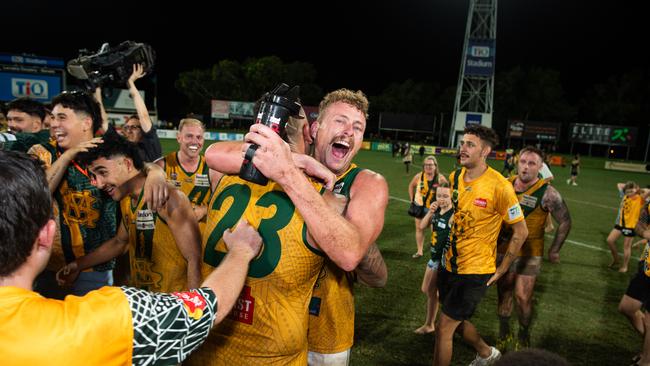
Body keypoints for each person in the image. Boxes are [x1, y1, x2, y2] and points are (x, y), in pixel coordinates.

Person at [0, 149, 263, 366]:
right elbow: (206, 308)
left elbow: (192, 256)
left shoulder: (162, 197)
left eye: (101, 173)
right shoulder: (110, 317)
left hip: (167, 300)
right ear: (47, 234)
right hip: (156, 321)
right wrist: (240, 252)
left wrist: (78, 263)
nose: (97, 183)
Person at [188, 88, 388, 365]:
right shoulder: (273, 168)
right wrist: (292, 164)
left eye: (358, 127)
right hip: (266, 320)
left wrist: (352, 235)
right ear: (314, 130)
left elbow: (370, 269)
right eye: (340, 122)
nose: (348, 132)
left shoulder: (365, 182)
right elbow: (214, 154)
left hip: (324, 328)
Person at [27, 90, 169, 297]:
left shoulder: (108, 150)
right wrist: (68, 156)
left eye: (62, 117)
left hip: (98, 267)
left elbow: (136, 167)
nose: (53, 123)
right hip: (48, 265)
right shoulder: (42, 152)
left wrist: (155, 171)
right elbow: (37, 195)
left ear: (86, 123)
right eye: (53, 117)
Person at [56, 131, 203, 292]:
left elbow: (194, 260)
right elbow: (120, 242)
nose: (97, 184)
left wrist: (193, 311)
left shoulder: (168, 197)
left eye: (102, 172)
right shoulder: (126, 197)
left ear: (127, 164)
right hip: (146, 304)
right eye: (93, 175)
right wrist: (78, 265)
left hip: (171, 306)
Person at [433, 125, 528, 366]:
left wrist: (503, 268)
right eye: (462, 143)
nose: (462, 148)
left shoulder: (500, 187)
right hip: (449, 264)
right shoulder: (455, 177)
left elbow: (520, 230)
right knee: (456, 321)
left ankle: (486, 353)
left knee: (443, 327)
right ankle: (486, 353)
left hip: (475, 270)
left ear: (485, 151)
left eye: (470, 144)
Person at [495, 146, 572, 348]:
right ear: (517, 162)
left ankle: (523, 333)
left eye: (532, 163)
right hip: (503, 250)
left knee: (522, 297)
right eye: (523, 162)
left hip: (531, 253)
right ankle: (504, 331)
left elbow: (565, 221)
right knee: (504, 293)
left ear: (540, 167)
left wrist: (554, 249)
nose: (526, 167)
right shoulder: (504, 185)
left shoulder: (548, 193)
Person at [158, 118, 221, 223]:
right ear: (179, 138)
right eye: (189, 136)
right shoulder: (162, 166)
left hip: (199, 237)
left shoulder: (212, 169)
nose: (195, 141)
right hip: (166, 236)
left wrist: (204, 210)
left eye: (199, 137)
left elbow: (220, 204)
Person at [414, 183, 453, 335]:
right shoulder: (436, 210)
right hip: (433, 257)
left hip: (443, 261)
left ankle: (433, 323)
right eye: (439, 195)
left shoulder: (453, 215)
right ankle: (431, 323)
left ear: (452, 197)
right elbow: (422, 226)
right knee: (428, 290)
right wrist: (430, 212)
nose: (441, 199)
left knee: (430, 290)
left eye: (445, 196)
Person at [620, 200, 650, 366]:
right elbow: (640, 224)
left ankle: (646, 361)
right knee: (627, 307)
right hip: (646, 266)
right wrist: (645, 234)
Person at [120, 64, 162, 162]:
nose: (129, 130)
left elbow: (143, 116)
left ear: (143, 131)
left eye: (134, 127)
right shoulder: (123, 149)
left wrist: (130, 82)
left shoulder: (150, 148)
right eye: (127, 127)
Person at [408, 155, 448, 258]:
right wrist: (412, 200)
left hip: (434, 209)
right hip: (419, 208)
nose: (428, 167)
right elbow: (411, 186)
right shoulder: (419, 176)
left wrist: (442, 204)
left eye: (430, 165)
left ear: (435, 166)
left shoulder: (440, 178)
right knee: (419, 229)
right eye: (426, 165)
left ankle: (437, 251)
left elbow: (447, 192)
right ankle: (420, 251)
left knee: (434, 230)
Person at [607, 181, 644, 272]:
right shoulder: (624, 196)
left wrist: (638, 190)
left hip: (630, 226)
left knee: (626, 246)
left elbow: (648, 191)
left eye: (631, 191)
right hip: (620, 224)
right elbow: (619, 184)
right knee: (610, 240)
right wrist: (630, 187)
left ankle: (625, 266)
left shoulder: (639, 198)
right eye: (627, 192)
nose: (629, 193)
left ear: (635, 190)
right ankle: (616, 259)